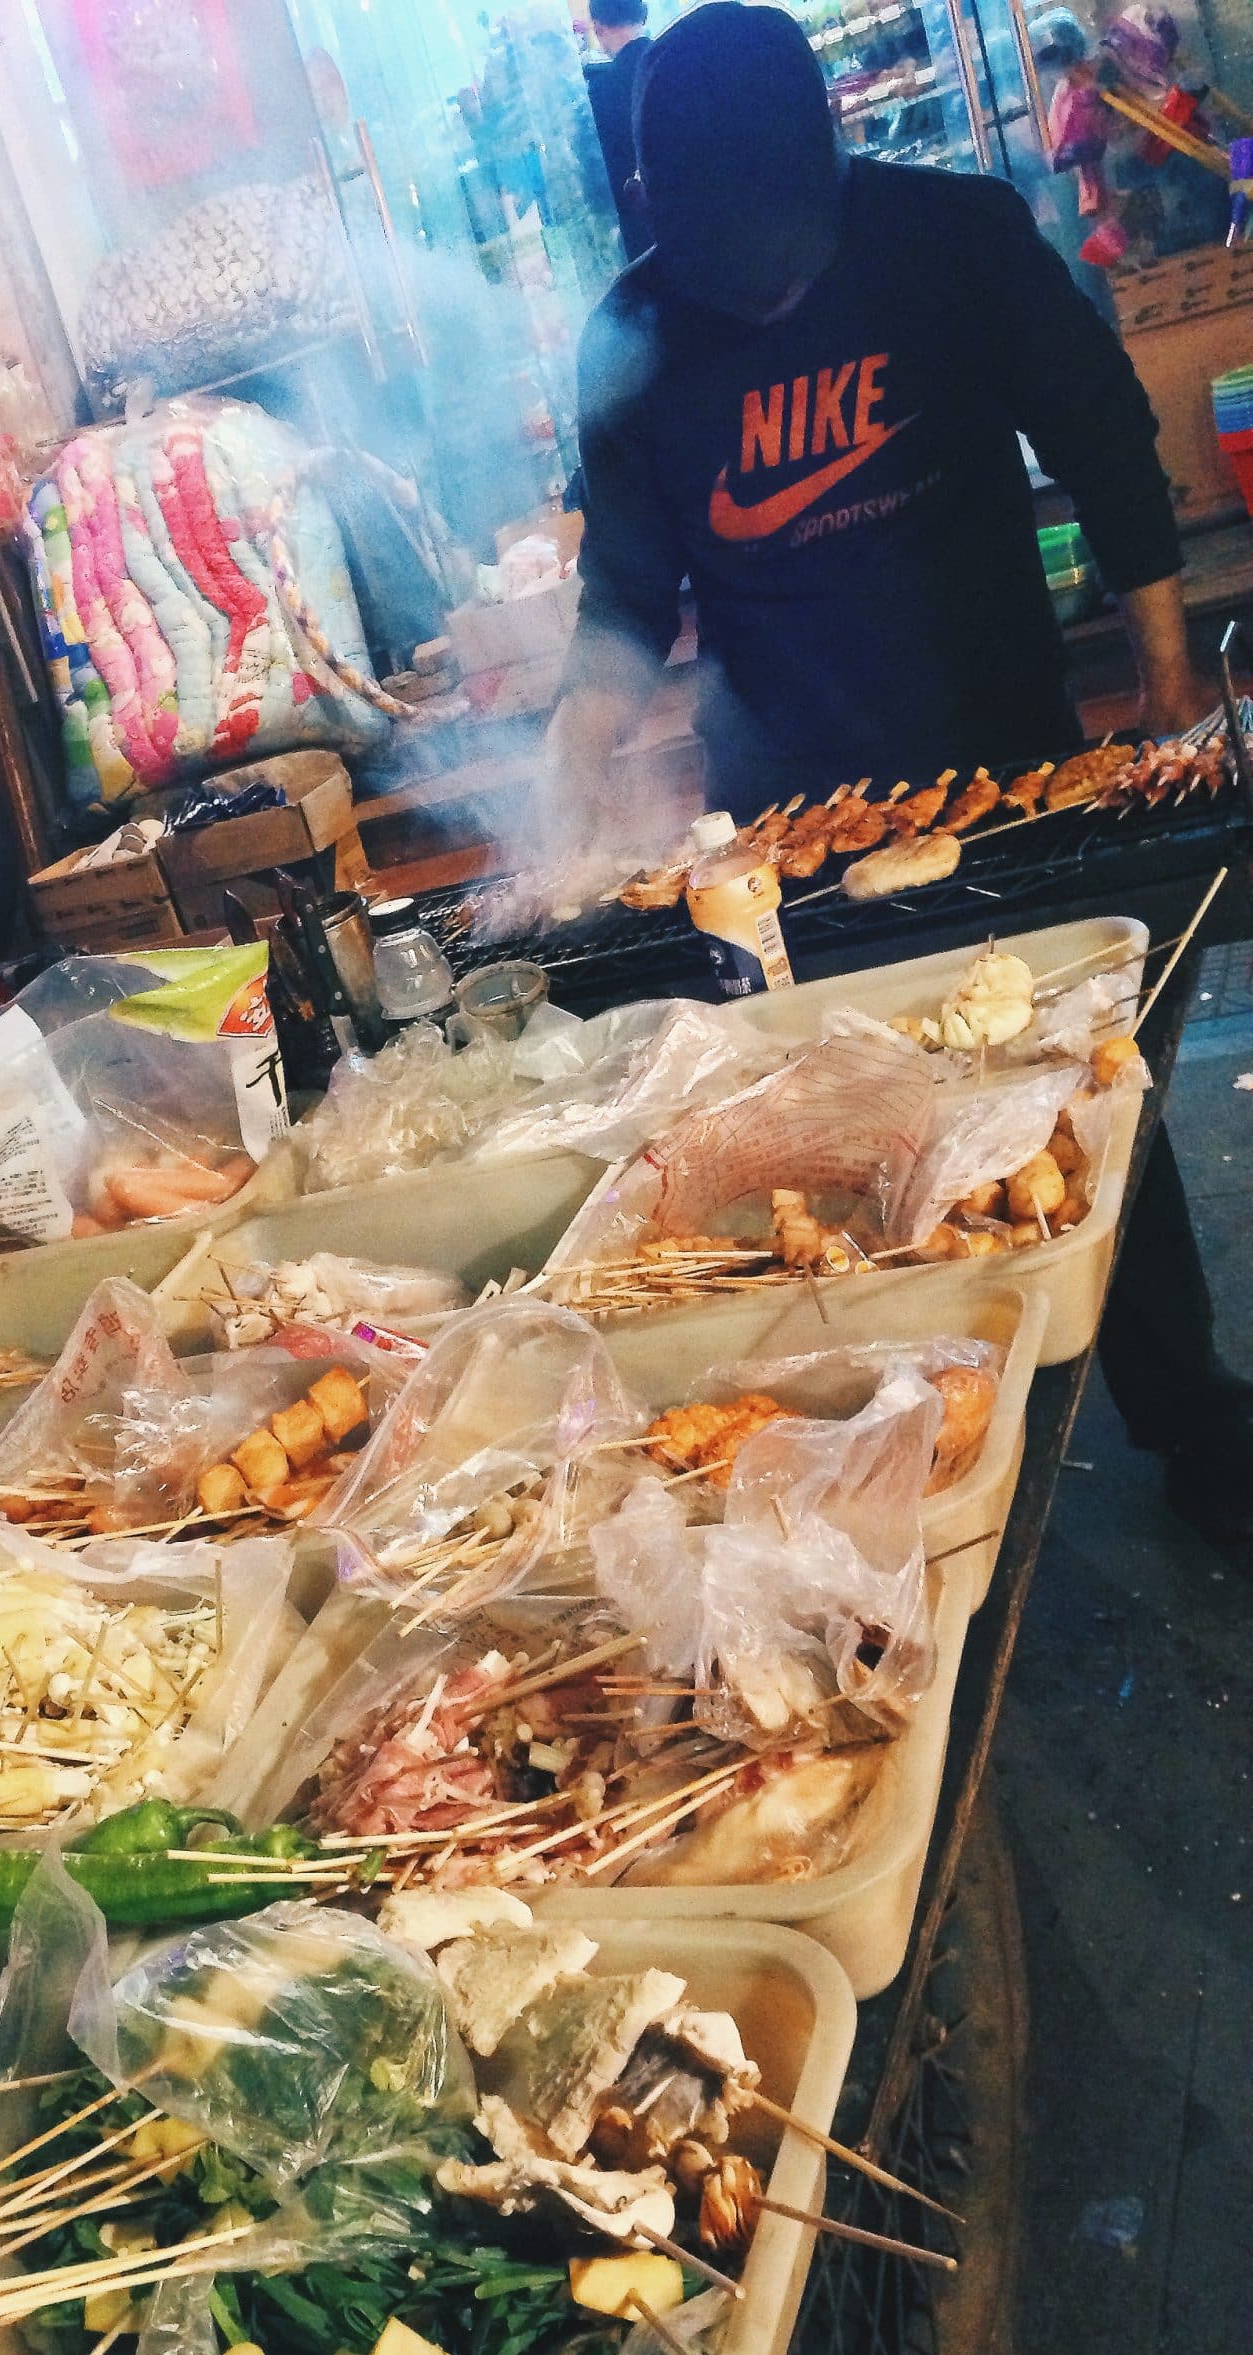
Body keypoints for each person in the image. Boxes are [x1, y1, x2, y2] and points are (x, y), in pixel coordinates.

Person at [549, 1, 1245, 1545]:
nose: (764, 282)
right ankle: (888, 1467)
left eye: (787, 243)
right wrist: (563, 782)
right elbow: (619, 604)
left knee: (1072, 1083)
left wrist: (1166, 671)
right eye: (732, 259)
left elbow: (1102, 436)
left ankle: (1184, 1406)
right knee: (835, 1144)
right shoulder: (635, 344)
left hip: (994, 749)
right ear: (667, 216)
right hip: (786, 820)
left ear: (833, 169)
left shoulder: (950, 239)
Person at [584, 0, 653, 263]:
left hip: (641, 224)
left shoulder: (602, 91)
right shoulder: (677, 64)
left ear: (599, 28)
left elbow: (604, 173)